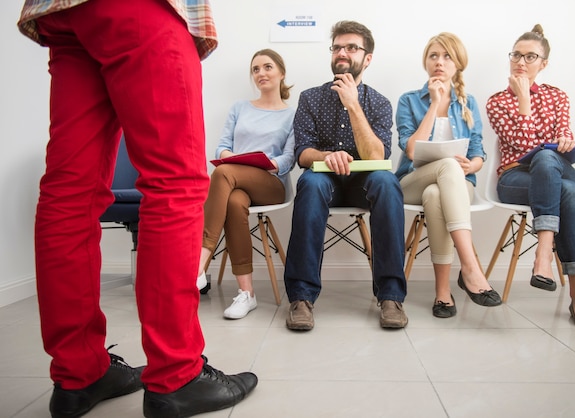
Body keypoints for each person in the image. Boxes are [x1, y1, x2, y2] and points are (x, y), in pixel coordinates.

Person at [17, 1, 257, 417]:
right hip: (141, 10)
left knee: (69, 192)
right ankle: (177, 374)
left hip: (62, 13)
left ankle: (79, 373)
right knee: (175, 183)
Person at [283, 20, 408, 331]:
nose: (342, 52)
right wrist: (327, 156)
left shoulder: (378, 103)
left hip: (363, 184)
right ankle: (301, 297)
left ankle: (391, 296)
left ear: (367, 58)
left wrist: (353, 105)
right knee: (309, 182)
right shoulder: (310, 98)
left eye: (351, 47)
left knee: (387, 182)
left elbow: (377, 157)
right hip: (325, 181)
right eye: (337, 46)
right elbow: (303, 152)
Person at [486, 24, 575, 331]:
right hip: (514, 179)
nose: (521, 62)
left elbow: (563, 133)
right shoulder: (497, 102)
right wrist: (523, 100)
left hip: (554, 170)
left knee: (549, 156)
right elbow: (524, 148)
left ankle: (543, 252)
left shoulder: (557, 96)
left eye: (530, 56)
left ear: (544, 63)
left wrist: (567, 142)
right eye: (516, 55)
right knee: (568, 193)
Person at [395, 32, 502, 318]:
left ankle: (443, 292)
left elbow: (479, 150)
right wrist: (433, 103)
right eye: (433, 56)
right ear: (426, 62)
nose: (439, 62)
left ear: (458, 64)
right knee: (445, 169)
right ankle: (470, 267)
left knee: (436, 194)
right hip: (412, 181)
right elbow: (412, 151)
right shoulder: (408, 101)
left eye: (446, 56)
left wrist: (473, 166)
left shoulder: (468, 103)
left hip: (456, 184)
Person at [197, 48, 296, 319]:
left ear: (281, 73)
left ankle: (199, 262)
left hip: (271, 185)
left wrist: (264, 162)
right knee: (233, 200)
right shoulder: (240, 108)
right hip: (237, 183)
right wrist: (231, 157)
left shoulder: (292, 114)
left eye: (267, 67)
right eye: (255, 69)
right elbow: (222, 148)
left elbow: (289, 159)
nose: (261, 73)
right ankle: (247, 294)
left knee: (223, 173)